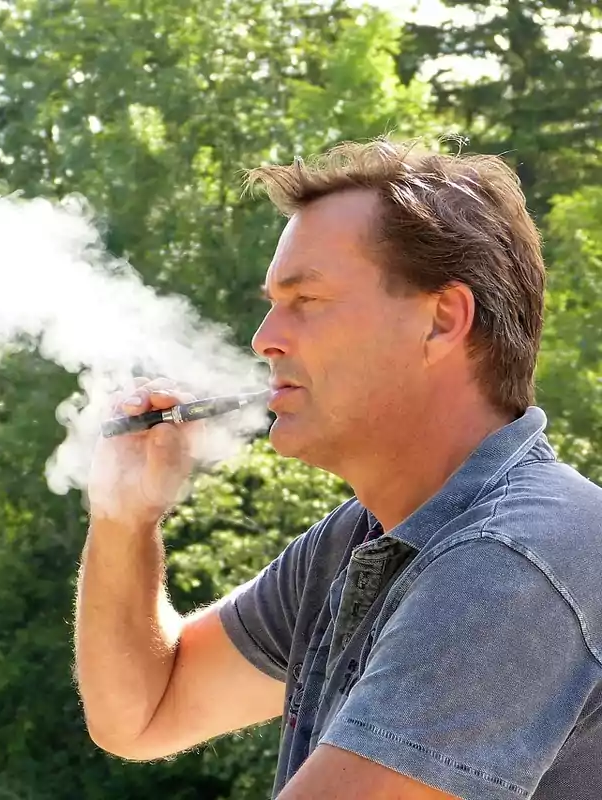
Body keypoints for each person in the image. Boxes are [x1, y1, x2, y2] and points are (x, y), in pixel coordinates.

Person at [73, 136, 602, 799]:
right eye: (272, 302)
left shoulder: (514, 561)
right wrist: (126, 515)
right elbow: (143, 713)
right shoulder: (361, 540)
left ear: (442, 321)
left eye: (306, 300)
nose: (265, 337)